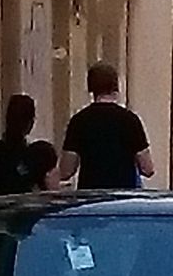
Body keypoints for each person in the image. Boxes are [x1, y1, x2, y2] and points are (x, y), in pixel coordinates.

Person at [57, 62, 155, 192]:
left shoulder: (79, 121)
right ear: (116, 86)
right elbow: (147, 169)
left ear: (90, 88)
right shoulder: (130, 120)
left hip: (90, 198)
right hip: (124, 199)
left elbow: (66, 171)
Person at [0, 94, 58, 198]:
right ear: (30, 124)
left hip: (2, 212)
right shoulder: (42, 154)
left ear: (7, 120)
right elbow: (52, 192)